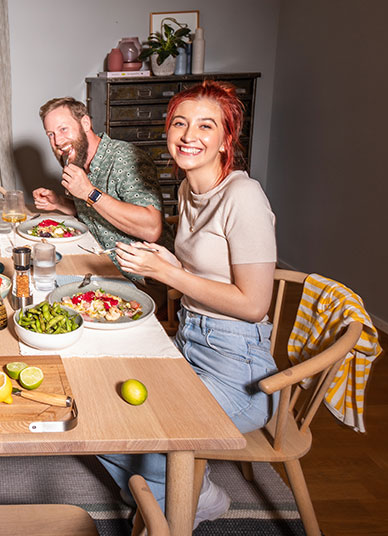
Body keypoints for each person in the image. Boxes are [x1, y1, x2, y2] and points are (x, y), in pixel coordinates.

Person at [97, 82, 279, 528]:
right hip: (190, 342)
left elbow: (255, 304)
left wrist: (171, 275)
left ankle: (182, 502)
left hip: (240, 369)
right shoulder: (187, 190)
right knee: (99, 416)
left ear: (226, 139)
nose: (188, 134)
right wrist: (168, 260)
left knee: (149, 445)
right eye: (180, 122)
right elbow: (206, 270)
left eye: (206, 125)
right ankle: (183, 492)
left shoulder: (244, 196)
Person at [31, 97, 173, 282]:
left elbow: (152, 228)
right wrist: (59, 202)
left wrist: (90, 193)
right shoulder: (79, 159)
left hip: (142, 279)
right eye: (50, 134)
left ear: (85, 123)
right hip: (100, 265)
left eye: (63, 129)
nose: (57, 141)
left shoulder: (125, 158)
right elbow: (94, 211)